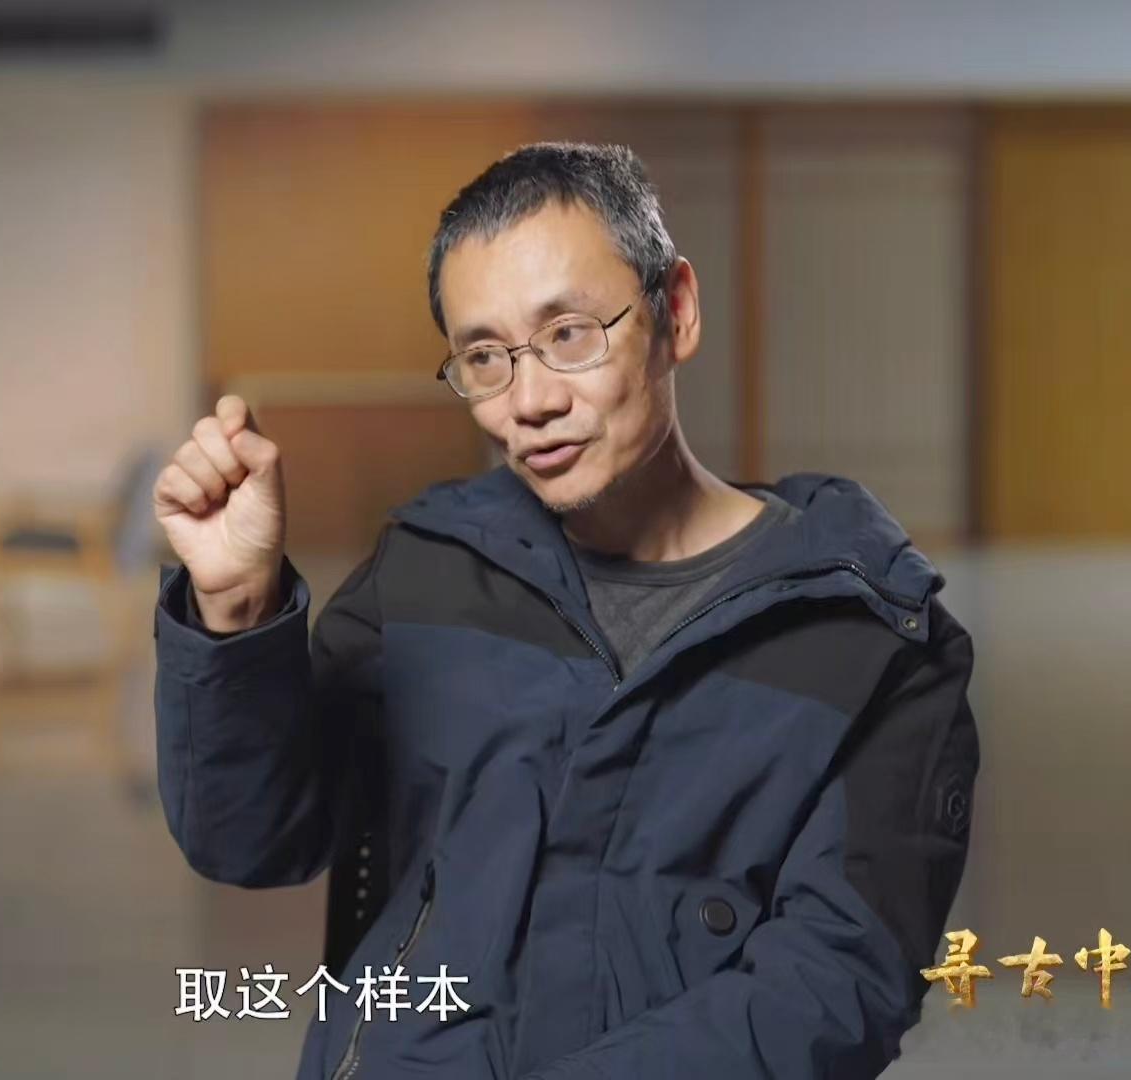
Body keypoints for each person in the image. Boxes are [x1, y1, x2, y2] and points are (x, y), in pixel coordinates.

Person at [150, 141, 979, 1080]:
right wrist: (235, 609)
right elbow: (252, 840)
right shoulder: (428, 567)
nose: (530, 401)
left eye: (571, 334)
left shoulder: (876, 642)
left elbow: (836, 988)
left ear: (675, 312)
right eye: (484, 357)